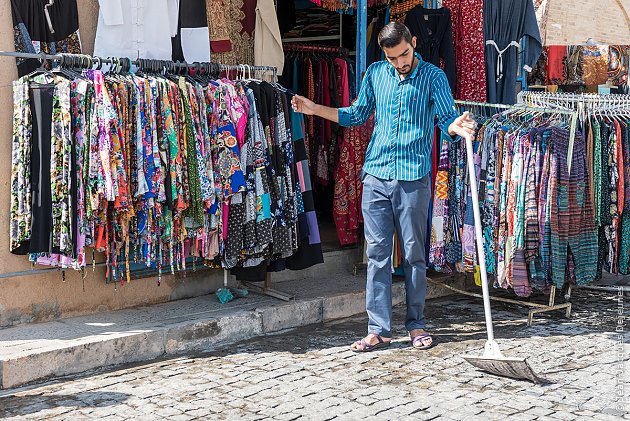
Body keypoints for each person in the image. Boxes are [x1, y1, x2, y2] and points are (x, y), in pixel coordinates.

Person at [291, 22, 476, 352]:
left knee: (414, 255)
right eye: (393, 58)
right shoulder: (376, 73)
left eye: (404, 54)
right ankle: (379, 329)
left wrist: (456, 124)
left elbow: (446, 119)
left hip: (413, 177)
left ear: (413, 43)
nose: (400, 63)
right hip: (376, 175)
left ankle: (416, 324)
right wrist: (314, 108)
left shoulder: (434, 77)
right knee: (376, 255)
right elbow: (356, 115)